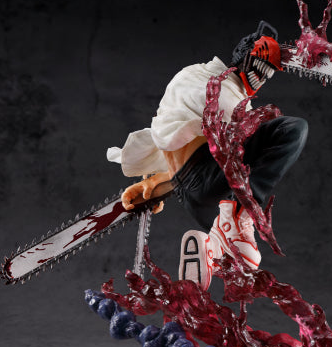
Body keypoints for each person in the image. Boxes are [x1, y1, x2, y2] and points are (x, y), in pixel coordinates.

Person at [107, 21, 308, 289]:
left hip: (196, 197)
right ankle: (236, 215)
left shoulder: (203, 81)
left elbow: (181, 142)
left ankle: (210, 249)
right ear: (246, 60)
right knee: (292, 129)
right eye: (261, 70)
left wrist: (156, 183)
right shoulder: (212, 84)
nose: (262, 79)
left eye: (268, 75)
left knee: (247, 259)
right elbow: (208, 146)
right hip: (208, 178)